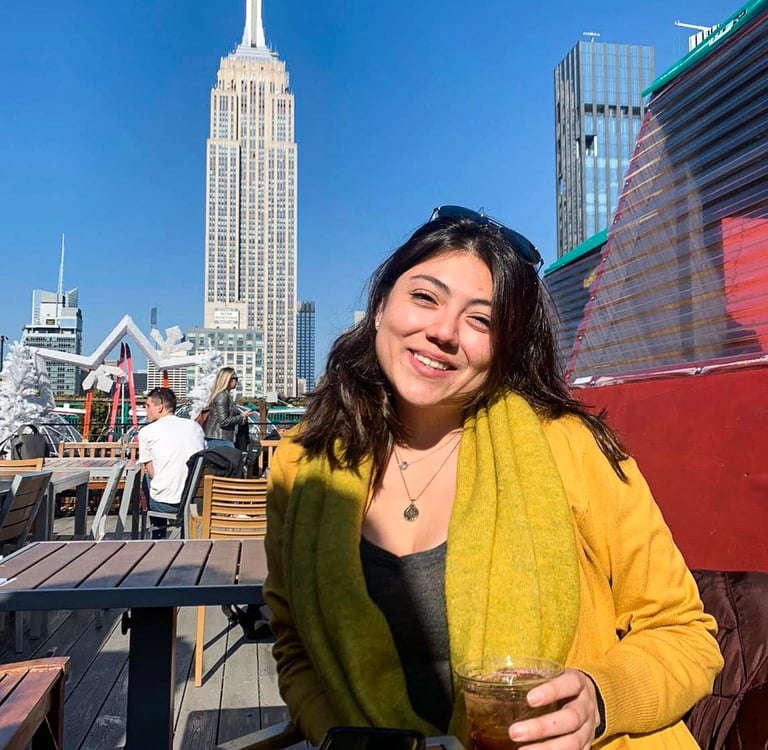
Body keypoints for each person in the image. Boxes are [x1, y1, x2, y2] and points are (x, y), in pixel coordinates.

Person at [263, 206, 723, 749]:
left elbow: (686, 634)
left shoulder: (568, 448)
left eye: (481, 320)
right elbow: (295, 648)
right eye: (425, 297)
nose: (442, 332)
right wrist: (334, 735)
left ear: (506, 346)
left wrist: (599, 700)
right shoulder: (301, 465)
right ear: (382, 302)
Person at [139, 387, 205, 539]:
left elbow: (152, 473)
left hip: (166, 504)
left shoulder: (147, 432)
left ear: (159, 407)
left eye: (148, 406)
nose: (145, 410)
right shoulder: (194, 427)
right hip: (195, 500)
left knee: (146, 479)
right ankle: (184, 535)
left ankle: (158, 535)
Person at [204, 367, 251, 448]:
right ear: (228, 379)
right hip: (220, 439)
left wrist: (240, 420)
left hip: (221, 439)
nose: (236, 381)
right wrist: (241, 416)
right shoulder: (222, 395)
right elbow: (224, 421)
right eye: (235, 378)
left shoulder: (225, 395)